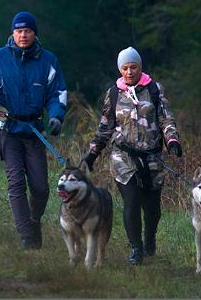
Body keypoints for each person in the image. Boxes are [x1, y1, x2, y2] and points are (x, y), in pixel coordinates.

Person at [0, 11, 67, 250]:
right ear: (12, 33)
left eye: (27, 31)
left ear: (34, 33)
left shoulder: (48, 61)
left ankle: (33, 220)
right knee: (16, 183)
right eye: (19, 31)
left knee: (41, 187)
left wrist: (56, 117)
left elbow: (57, 93)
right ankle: (28, 238)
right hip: (6, 128)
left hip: (34, 129)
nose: (23, 35)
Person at [80, 46, 182, 265]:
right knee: (132, 202)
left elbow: (166, 119)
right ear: (120, 70)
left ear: (140, 67)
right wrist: (92, 154)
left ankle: (149, 240)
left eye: (133, 67)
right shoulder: (114, 93)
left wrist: (172, 141)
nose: (129, 72)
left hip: (152, 158)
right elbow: (105, 127)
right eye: (125, 68)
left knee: (152, 208)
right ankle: (136, 249)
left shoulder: (154, 89)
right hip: (123, 158)